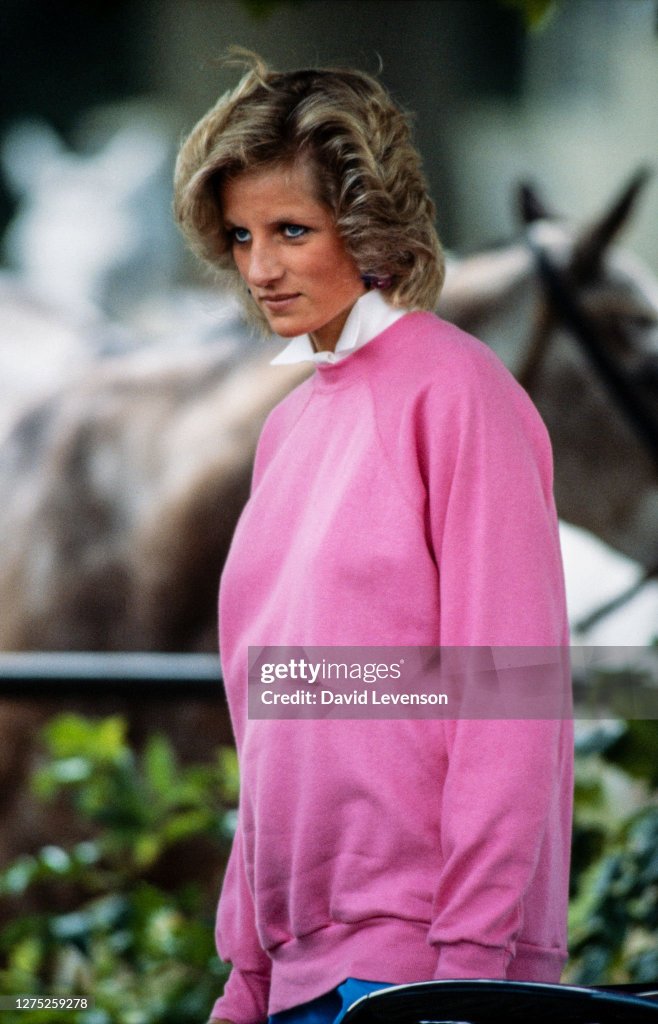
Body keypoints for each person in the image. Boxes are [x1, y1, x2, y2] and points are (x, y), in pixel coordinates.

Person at [173, 51, 573, 1024]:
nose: (260, 268)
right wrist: (248, 977)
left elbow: (512, 696)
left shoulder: (460, 394)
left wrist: (468, 969)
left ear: (366, 226)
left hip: (428, 967)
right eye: (241, 235)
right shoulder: (288, 428)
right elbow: (271, 716)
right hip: (297, 978)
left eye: (291, 231)